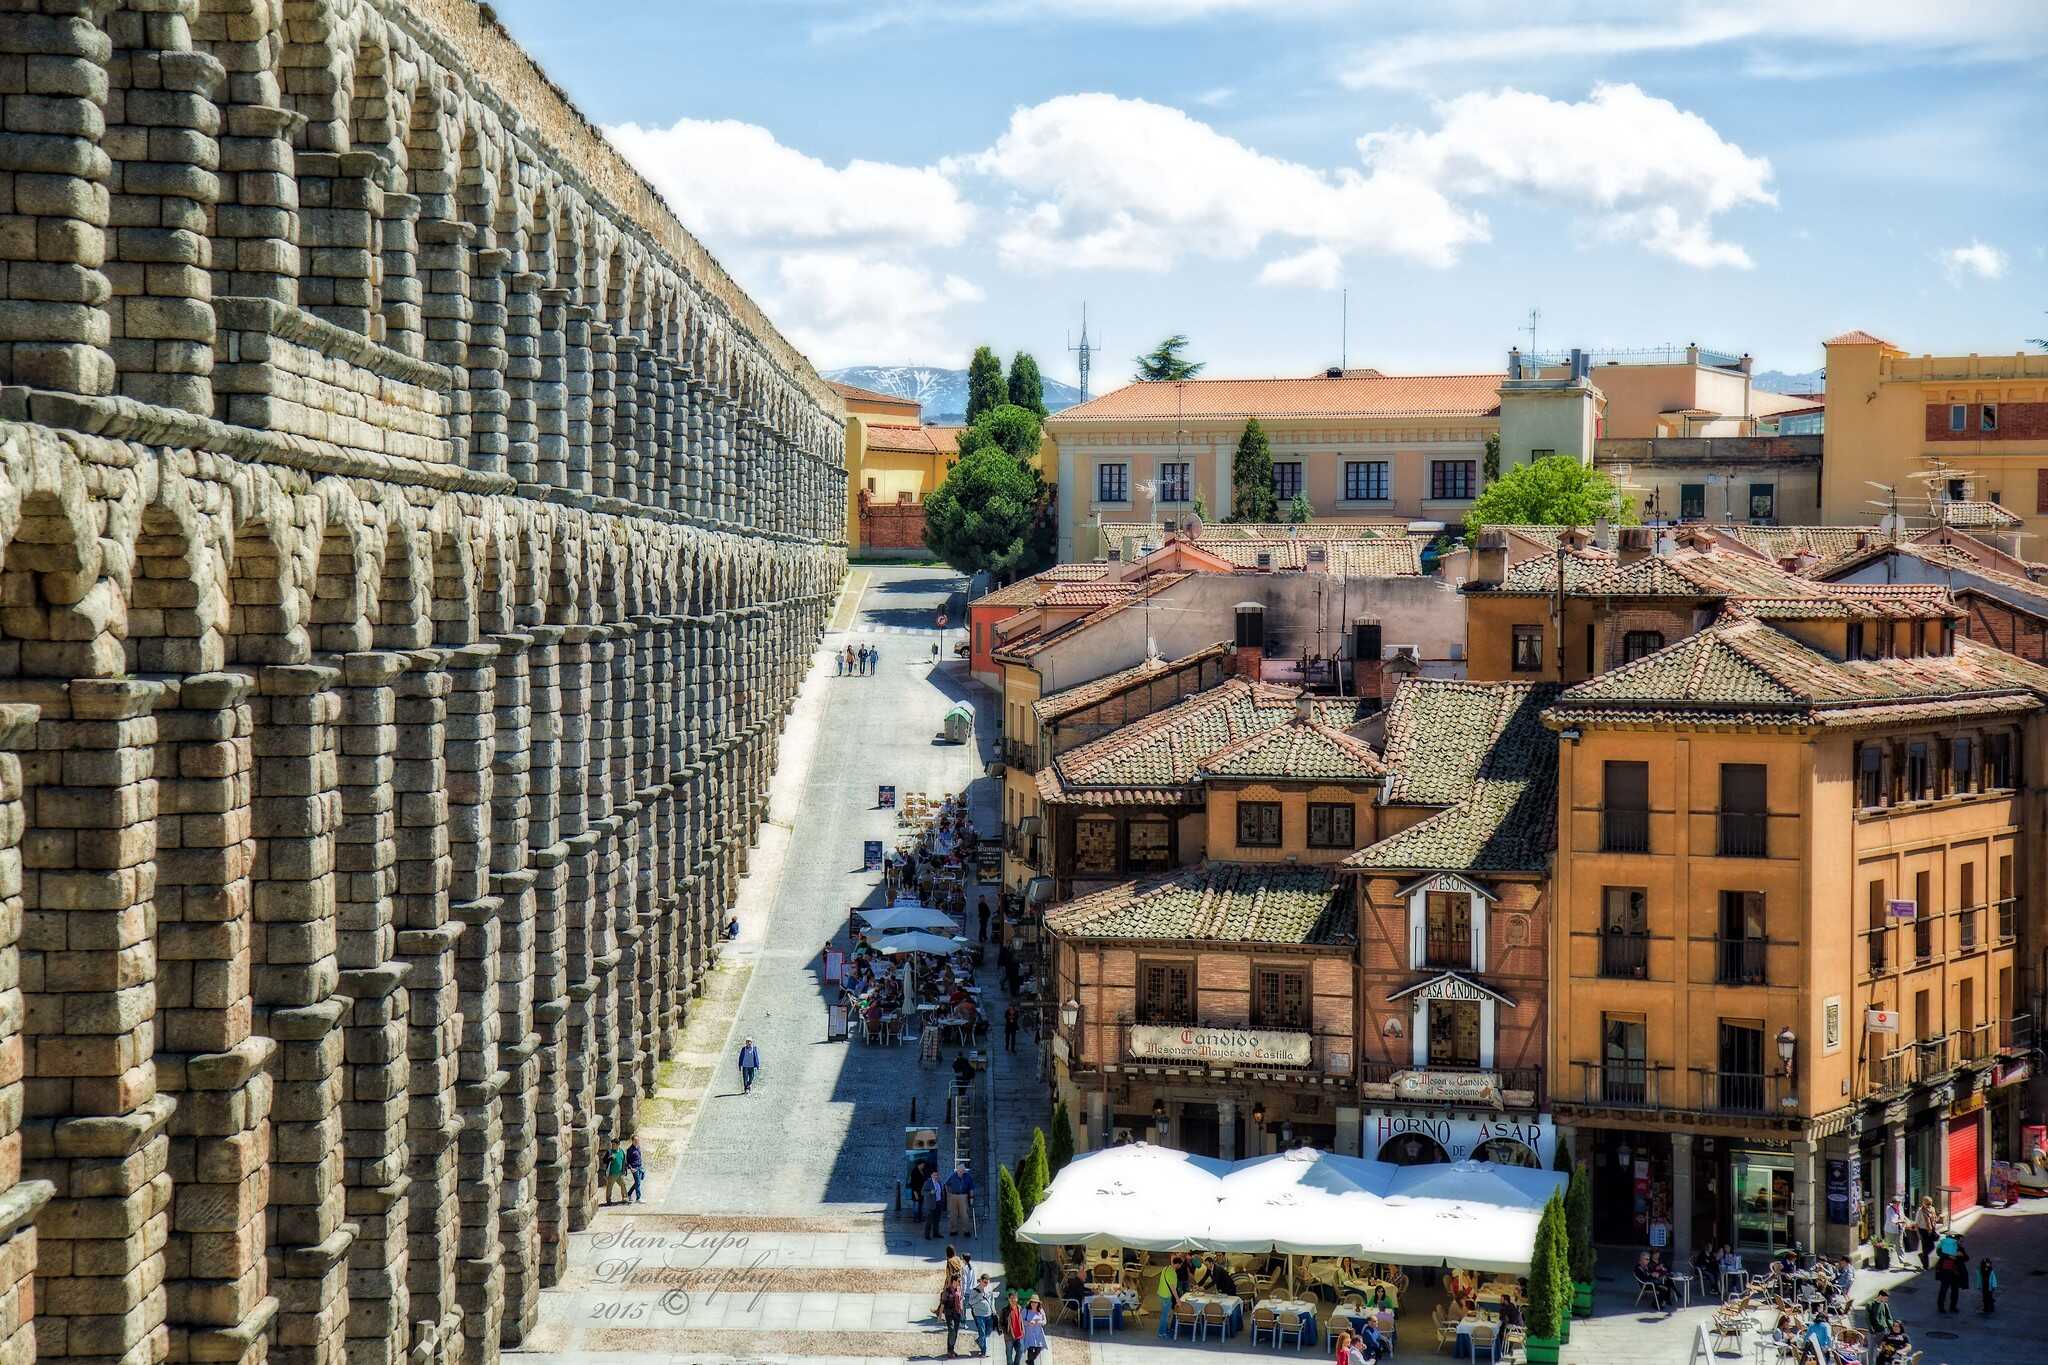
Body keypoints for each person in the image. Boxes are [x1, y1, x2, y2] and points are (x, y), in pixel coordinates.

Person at [967, 1274, 997, 1357]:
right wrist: (979, 1297)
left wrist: (993, 1310)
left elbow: (992, 1300)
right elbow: (970, 1302)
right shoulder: (975, 1290)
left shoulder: (989, 1288)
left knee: (989, 1331)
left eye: (987, 1282)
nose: (986, 1284)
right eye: (985, 1282)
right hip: (979, 1315)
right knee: (982, 1333)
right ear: (980, 1281)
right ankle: (984, 1351)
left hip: (989, 1314)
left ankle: (980, 1340)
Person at [944, 1161, 975, 1235]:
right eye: (960, 1169)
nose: (962, 1171)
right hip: (953, 1196)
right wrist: (949, 1194)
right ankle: (953, 1230)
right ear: (957, 1169)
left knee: (964, 1214)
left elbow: (971, 1188)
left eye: (963, 1169)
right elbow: (946, 1184)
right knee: (953, 1214)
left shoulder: (968, 1176)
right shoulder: (952, 1176)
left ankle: (966, 1230)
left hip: (963, 1196)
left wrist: (971, 1198)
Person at [941, 1273, 965, 1358]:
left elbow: (960, 1301)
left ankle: (952, 1349)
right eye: (959, 1281)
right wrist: (940, 1316)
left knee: (955, 1332)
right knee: (951, 1331)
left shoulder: (959, 1289)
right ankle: (949, 1350)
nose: (960, 1282)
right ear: (954, 1281)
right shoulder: (947, 1291)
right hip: (949, 1314)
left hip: (957, 1314)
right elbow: (942, 1304)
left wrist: (962, 1312)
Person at [1019, 1295, 1048, 1365]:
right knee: (1030, 1350)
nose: (1033, 1304)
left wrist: (1039, 1322)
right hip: (1029, 1335)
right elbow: (1020, 1320)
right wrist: (1028, 1323)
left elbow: (1045, 1321)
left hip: (1038, 1335)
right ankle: (1030, 1362)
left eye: (1035, 1302)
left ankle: (1029, 1361)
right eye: (1032, 1302)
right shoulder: (1026, 1310)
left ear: (1038, 1303)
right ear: (1030, 1302)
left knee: (1038, 1349)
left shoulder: (1041, 1310)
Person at [1913, 1197, 1939, 1270]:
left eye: (1930, 1203)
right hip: (1923, 1231)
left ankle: (1922, 1255)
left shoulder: (1932, 1209)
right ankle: (1926, 1266)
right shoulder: (1920, 1211)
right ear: (1923, 1203)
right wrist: (1918, 1234)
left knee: (1932, 1247)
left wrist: (1938, 1218)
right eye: (1927, 1204)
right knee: (1925, 1248)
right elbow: (1916, 1223)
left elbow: (1934, 1219)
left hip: (1931, 1230)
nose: (1929, 1205)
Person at [923, 1167, 946, 1239]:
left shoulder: (939, 1182)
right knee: (929, 1220)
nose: (936, 1176)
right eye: (934, 1175)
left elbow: (941, 1192)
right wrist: (930, 1192)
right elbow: (923, 1192)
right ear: (931, 1175)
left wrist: (942, 1201)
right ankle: (927, 1235)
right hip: (931, 1204)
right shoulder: (928, 1182)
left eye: (937, 1175)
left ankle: (936, 1233)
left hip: (938, 1203)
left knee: (937, 1220)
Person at [604, 1140, 628, 1205]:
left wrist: (625, 1169)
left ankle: (625, 1198)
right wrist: (609, 1158)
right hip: (612, 1174)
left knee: (623, 1185)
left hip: (620, 1173)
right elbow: (604, 1161)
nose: (612, 1146)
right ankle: (608, 1200)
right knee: (609, 1187)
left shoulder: (622, 1151)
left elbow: (624, 1161)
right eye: (612, 1144)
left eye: (614, 1144)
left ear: (618, 1145)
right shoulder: (609, 1152)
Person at [626, 1138, 645, 1204]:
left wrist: (641, 1166)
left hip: (640, 1167)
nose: (637, 1141)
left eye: (637, 1140)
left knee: (637, 1182)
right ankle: (638, 1198)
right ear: (632, 1141)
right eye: (635, 1140)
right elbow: (627, 1161)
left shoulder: (638, 1147)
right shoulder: (629, 1150)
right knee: (638, 1182)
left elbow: (639, 1157)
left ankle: (629, 1193)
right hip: (634, 1168)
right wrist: (631, 1168)